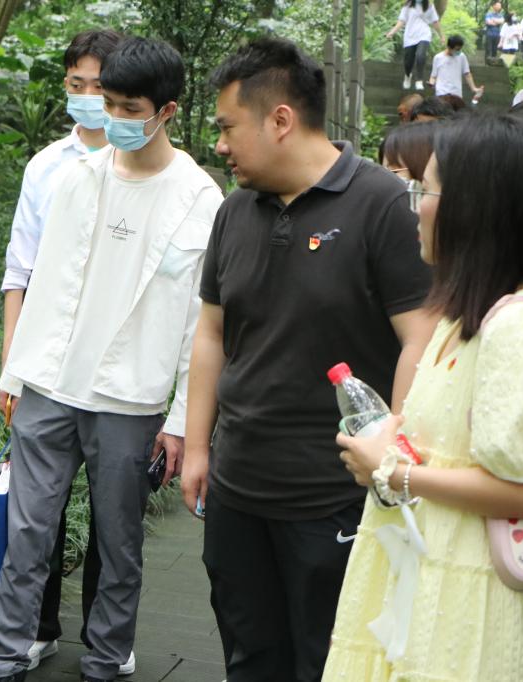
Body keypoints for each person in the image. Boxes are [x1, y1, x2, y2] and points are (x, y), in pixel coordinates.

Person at [180, 37, 435, 682]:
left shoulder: (380, 204)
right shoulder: (233, 211)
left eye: (227, 127)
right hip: (238, 488)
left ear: (280, 120)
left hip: (336, 495)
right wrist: (198, 446)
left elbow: (421, 337)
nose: (220, 145)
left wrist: (391, 453)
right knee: (249, 655)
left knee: (329, 660)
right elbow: (211, 333)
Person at [0, 36, 223, 682]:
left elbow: (200, 324)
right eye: (107, 101)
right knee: (27, 533)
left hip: (129, 396)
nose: (111, 116)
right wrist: (16, 374)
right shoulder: (78, 178)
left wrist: (181, 420)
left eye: (127, 107)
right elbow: (44, 282)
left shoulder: (199, 199)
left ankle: (106, 659)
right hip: (50, 382)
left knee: (118, 543)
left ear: (167, 111)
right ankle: (8, 658)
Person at [323, 113, 523, 681]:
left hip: (477, 602)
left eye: (424, 190)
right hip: (435, 580)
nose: (415, 208)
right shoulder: (461, 318)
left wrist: (394, 472)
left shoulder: (520, 324)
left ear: (473, 208)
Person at [0, 29, 131, 674]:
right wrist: (11, 367)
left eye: (99, 87)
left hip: (116, 370)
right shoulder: (46, 166)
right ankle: (34, 630)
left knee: (114, 518)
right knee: (34, 512)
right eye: (76, 85)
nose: (86, 97)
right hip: (46, 365)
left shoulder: (149, 167)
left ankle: (107, 641)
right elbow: (18, 271)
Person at [386, 0, 445, 90]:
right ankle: (407, 75)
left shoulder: (429, 6)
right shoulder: (408, 5)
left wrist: (441, 36)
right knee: (408, 60)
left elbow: (435, 22)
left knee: (420, 55)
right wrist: (392, 32)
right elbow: (401, 21)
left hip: (424, 34)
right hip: (410, 35)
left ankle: (419, 80)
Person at [429, 36, 484, 103]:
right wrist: (431, 83)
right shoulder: (438, 58)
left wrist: (473, 88)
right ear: (449, 47)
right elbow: (433, 76)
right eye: (457, 49)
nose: (459, 51)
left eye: (460, 49)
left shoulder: (461, 56)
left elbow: (467, 74)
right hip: (441, 93)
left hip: (456, 93)